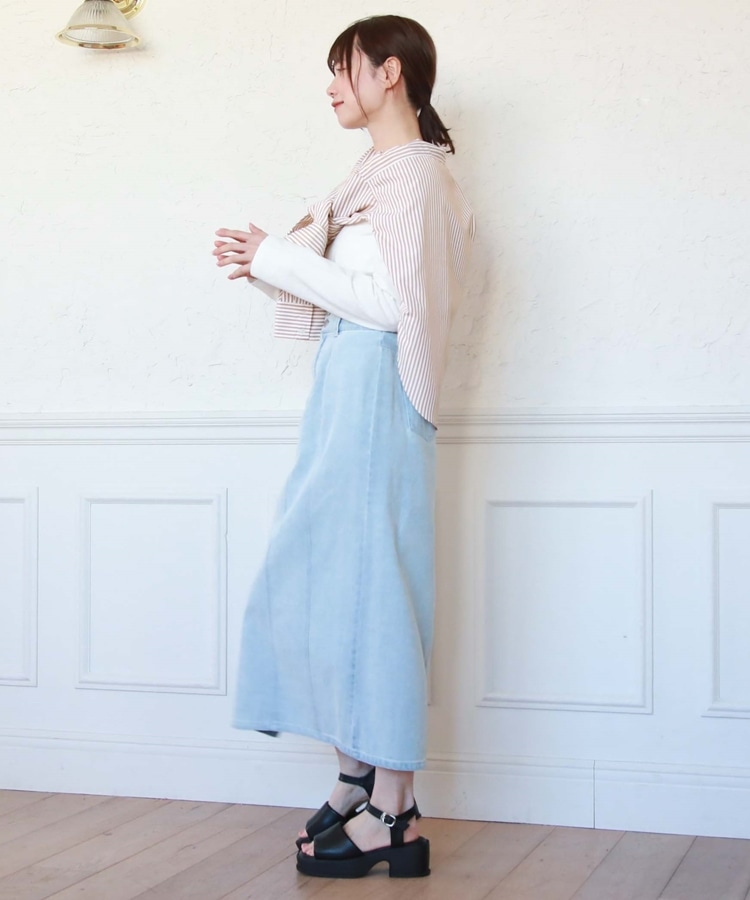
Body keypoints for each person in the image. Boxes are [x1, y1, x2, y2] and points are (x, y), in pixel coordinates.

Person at [212, 14, 474, 880]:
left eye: (342, 69)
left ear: (388, 73)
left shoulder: (412, 177)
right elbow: (358, 293)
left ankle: (393, 807)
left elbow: (392, 306)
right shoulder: (374, 177)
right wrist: (267, 264)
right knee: (331, 580)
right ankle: (360, 777)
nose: (330, 87)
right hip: (348, 388)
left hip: (374, 392)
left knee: (376, 590)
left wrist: (277, 259)